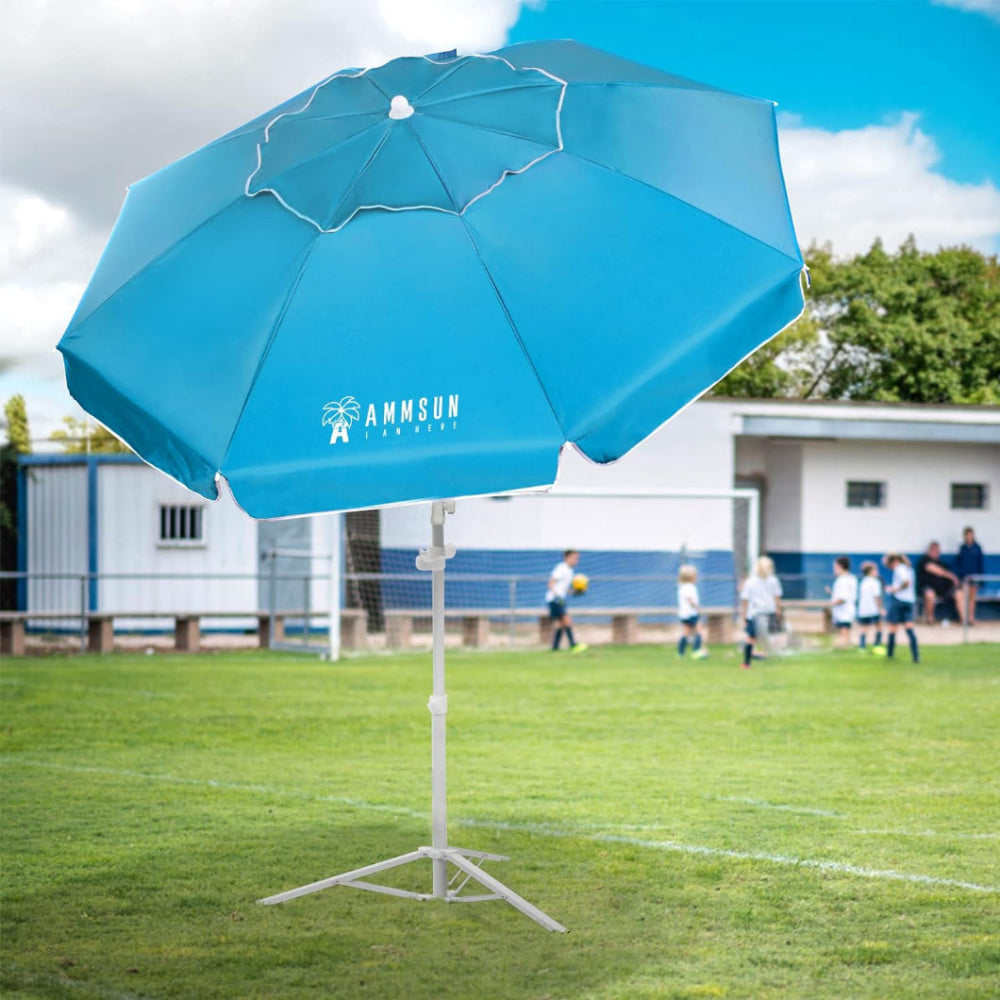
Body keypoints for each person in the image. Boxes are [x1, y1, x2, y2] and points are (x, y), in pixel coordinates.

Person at [738, 555, 782, 670]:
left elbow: (745, 600)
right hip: (769, 612)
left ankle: (747, 663)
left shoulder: (750, 581)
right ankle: (764, 656)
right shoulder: (773, 580)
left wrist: (743, 615)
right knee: (767, 638)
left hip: (755, 613)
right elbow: (777, 597)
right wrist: (778, 610)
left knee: (750, 638)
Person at [545, 549, 587, 653]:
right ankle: (573, 645)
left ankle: (555, 647)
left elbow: (564, 588)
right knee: (567, 620)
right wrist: (557, 596)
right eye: (574, 558)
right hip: (554, 599)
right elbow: (551, 583)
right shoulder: (561, 568)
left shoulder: (570, 571)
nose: (576, 560)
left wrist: (575, 592)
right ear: (566, 557)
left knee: (561, 624)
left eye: (577, 558)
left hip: (559, 599)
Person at [916, 541, 965, 625]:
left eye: (937, 550)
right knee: (930, 594)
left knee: (959, 593)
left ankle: (964, 620)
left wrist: (957, 583)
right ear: (929, 550)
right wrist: (951, 576)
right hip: (928, 588)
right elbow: (934, 569)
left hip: (943, 590)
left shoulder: (942, 564)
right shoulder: (924, 560)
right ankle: (930, 619)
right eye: (933, 550)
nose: (935, 552)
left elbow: (948, 575)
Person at [883, 553, 919, 663]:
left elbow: (906, 582)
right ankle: (916, 656)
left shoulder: (899, 569)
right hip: (909, 601)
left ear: (893, 562)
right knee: (909, 628)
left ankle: (889, 654)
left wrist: (895, 590)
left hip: (899, 601)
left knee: (893, 628)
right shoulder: (909, 569)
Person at [676, 564, 708, 660]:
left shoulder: (681, 587)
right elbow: (691, 601)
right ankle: (696, 652)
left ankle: (680, 653)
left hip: (683, 614)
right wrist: (697, 608)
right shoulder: (691, 587)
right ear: (691, 578)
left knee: (686, 633)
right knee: (699, 631)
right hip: (691, 613)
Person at [828, 556, 858, 650]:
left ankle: (844, 646)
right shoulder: (852, 578)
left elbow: (842, 598)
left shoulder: (842, 580)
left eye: (835, 566)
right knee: (846, 629)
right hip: (849, 609)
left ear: (839, 566)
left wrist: (831, 604)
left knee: (843, 628)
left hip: (843, 610)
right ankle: (847, 645)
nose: (834, 569)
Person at [956, 527, 985, 626]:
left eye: (970, 535)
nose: (969, 537)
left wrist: (981, 580)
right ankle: (964, 618)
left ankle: (971, 617)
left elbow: (980, 564)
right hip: (965, 577)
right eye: (967, 535)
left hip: (974, 577)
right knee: (964, 596)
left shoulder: (977, 548)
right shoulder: (962, 548)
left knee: (972, 598)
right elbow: (960, 564)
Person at [856, 561, 885, 653]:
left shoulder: (863, 582)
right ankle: (877, 645)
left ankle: (862, 646)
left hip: (863, 609)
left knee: (864, 627)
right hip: (873, 610)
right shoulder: (875, 582)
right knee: (879, 626)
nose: (877, 572)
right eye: (876, 570)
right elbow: (876, 596)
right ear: (871, 571)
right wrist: (880, 609)